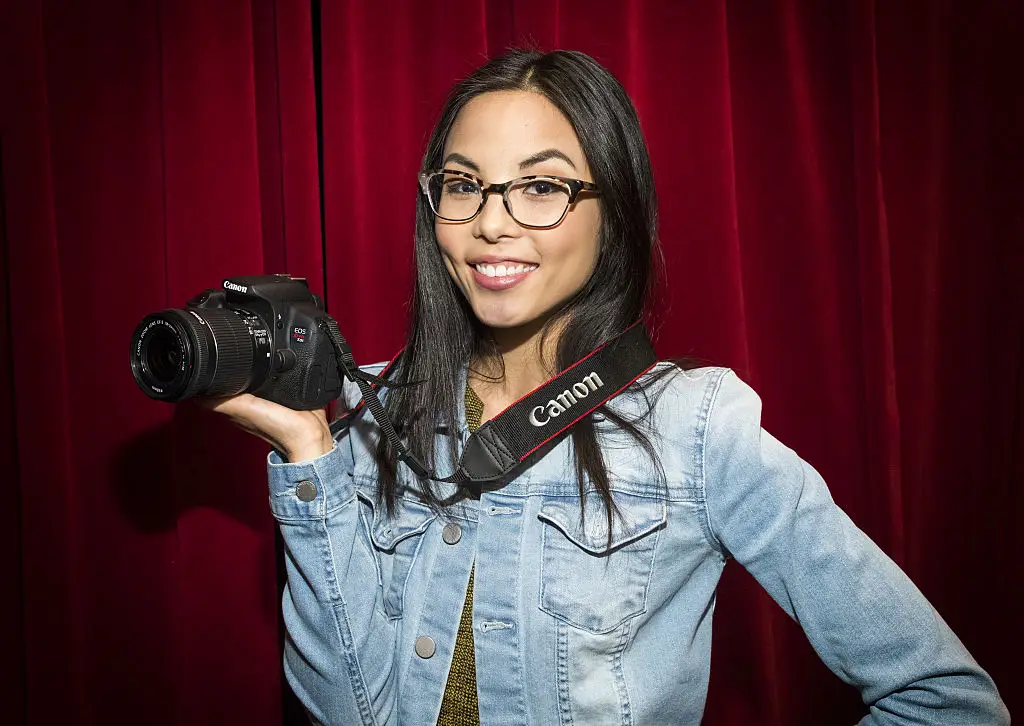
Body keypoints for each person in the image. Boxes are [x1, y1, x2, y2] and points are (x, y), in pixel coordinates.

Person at [202, 50, 1009, 725]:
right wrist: (310, 455)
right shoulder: (368, 412)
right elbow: (345, 711)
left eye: (543, 187)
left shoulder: (697, 427)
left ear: (612, 211)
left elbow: (946, 699)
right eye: (462, 183)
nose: (492, 222)